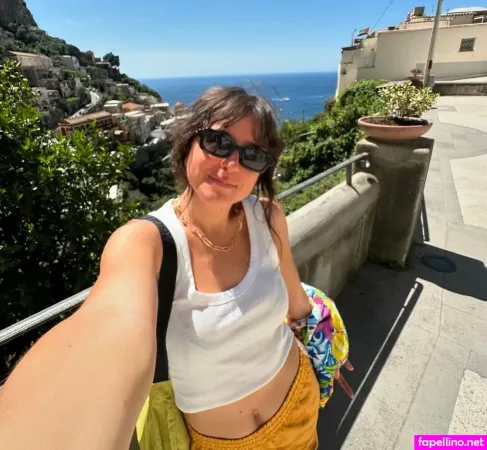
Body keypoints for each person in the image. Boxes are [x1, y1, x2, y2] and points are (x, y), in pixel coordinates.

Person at [0, 87, 348, 450]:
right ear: (188, 141)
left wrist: (326, 353)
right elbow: (103, 333)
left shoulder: (268, 216)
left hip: (300, 405)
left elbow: (297, 304)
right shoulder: (144, 243)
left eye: (252, 155)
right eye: (218, 142)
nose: (231, 164)